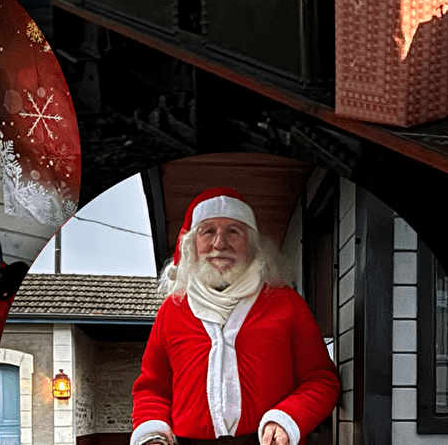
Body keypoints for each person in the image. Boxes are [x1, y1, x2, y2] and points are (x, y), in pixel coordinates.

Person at [132, 188, 339, 445]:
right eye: (208, 231)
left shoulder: (286, 303)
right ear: (191, 245)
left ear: (252, 245)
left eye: (233, 231)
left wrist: (287, 419)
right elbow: (152, 390)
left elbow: (322, 380)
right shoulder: (172, 310)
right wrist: (152, 433)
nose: (220, 243)